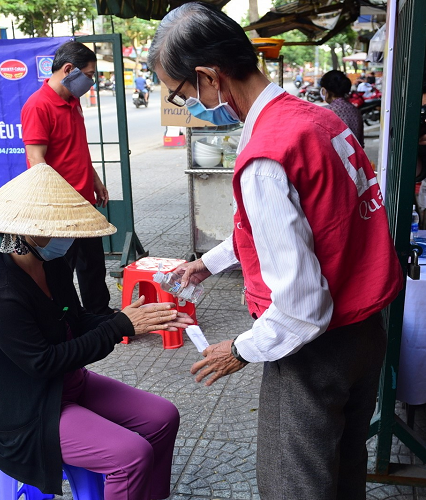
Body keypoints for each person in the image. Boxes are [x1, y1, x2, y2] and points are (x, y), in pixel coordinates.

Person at [147, 3, 403, 499]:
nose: (187, 106)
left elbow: (302, 308)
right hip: (366, 332)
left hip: (315, 351)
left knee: (295, 484)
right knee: (344, 465)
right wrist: (210, 261)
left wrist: (240, 349)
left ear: (208, 77)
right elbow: (311, 226)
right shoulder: (318, 119)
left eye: (181, 94)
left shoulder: (267, 152)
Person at [0, 163, 194, 499]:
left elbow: (76, 318)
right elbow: (42, 362)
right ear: (26, 230)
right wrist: (119, 327)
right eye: (57, 228)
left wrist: (140, 318)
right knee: (130, 455)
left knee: (162, 417)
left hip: (68, 384)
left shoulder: (51, 265)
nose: (66, 236)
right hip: (26, 413)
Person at [21, 41, 114, 315]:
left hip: (84, 200)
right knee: (61, 268)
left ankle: (99, 314)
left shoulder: (73, 102)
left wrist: (95, 181)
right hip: (60, 207)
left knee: (93, 263)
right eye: (88, 75)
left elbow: (78, 149)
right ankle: (64, 318)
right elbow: (36, 160)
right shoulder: (38, 106)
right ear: (69, 69)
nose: (91, 82)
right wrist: (56, 204)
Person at [320, 70, 364, 147]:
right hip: (354, 158)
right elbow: (361, 143)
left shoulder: (324, 112)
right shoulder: (356, 111)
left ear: (325, 91)